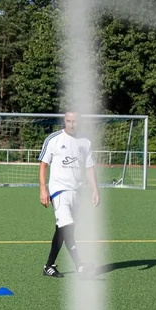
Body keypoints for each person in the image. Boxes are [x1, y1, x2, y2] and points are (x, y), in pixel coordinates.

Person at [38, 112, 100, 278]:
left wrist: (95, 189)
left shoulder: (85, 142)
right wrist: (43, 189)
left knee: (64, 229)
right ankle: (72, 265)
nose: (72, 124)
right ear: (65, 121)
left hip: (77, 191)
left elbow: (89, 167)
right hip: (59, 191)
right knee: (67, 226)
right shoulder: (54, 139)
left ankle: (52, 266)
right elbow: (43, 164)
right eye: (68, 121)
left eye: (75, 121)